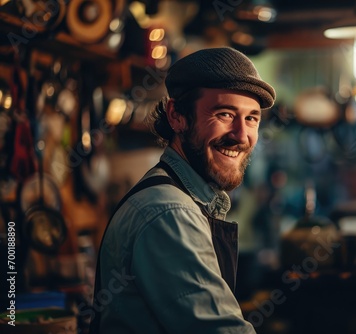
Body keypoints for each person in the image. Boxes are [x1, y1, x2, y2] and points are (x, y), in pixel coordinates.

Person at [90, 47, 276, 334]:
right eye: (225, 114)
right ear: (177, 116)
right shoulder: (170, 212)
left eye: (251, 118)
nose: (241, 135)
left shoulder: (178, 198)